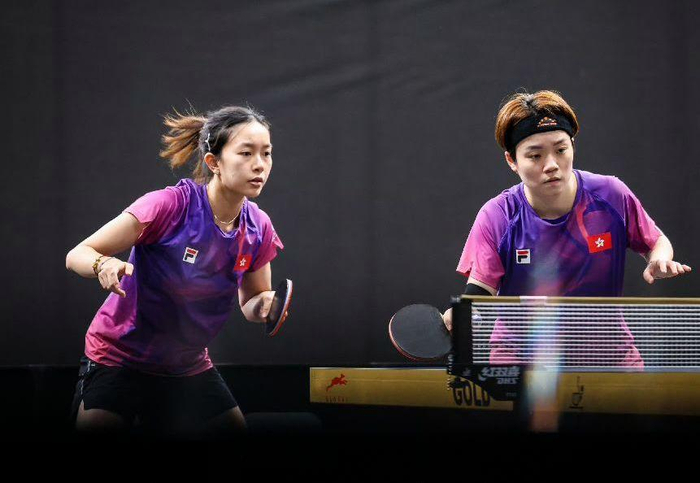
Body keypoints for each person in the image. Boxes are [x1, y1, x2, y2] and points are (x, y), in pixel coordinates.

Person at [65, 105, 284, 438]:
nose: (260, 164)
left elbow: (252, 301)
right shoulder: (169, 206)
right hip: (119, 357)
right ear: (214, 162)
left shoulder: (258, 227)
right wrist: (103, 264)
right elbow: (78, 254)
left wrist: (265, 305)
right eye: (246, 153)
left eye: (266, 153)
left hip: (186, 366)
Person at [445, 90, 691, 367]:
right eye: (535, 156)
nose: (551, 165)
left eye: (561, 150)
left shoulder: (611, 194)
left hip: (609, 359)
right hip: (520, 362)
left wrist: (659, 259)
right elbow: (481, 290)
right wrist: (462, 314)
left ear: (572, 145)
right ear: (512, 161)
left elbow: (656, 241)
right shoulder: (498, 215)